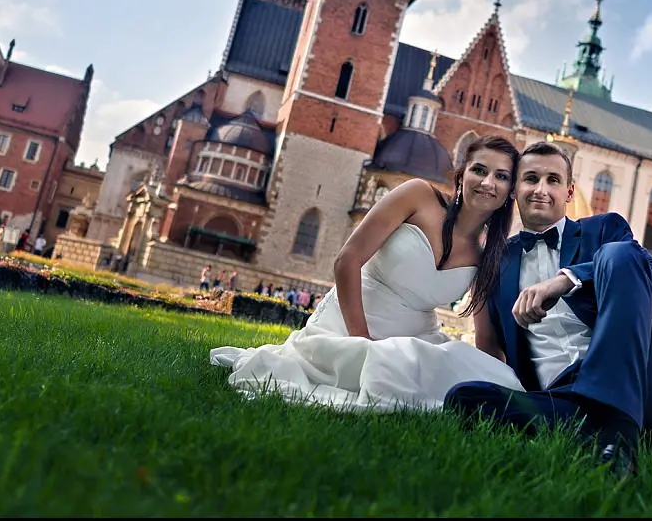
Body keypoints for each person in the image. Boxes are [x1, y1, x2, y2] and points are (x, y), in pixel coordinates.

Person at [210, 135, 528, 412]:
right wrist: (361, 341)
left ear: (509, 192)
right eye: (479, 170)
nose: (488, 183)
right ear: (461, 176)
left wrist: (498, 375)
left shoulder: (490, 254)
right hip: (352, 318)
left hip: (414, 337)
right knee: (368, 374)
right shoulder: (418, 195)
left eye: (501, 176)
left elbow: (486, 337)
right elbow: (347, 260)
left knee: (470, 381)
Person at [443, 141, 652, 477]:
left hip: (640, 389)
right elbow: (490, 349)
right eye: (530, 179)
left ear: (569, 192)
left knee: (620, 255)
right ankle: (599, 432)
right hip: (559, 397)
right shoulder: (495, 263)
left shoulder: (604, 230)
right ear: (514, 190)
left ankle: (619, 432)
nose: (541, 189)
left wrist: (568, 279)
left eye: (553, 180)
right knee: (464, 397)